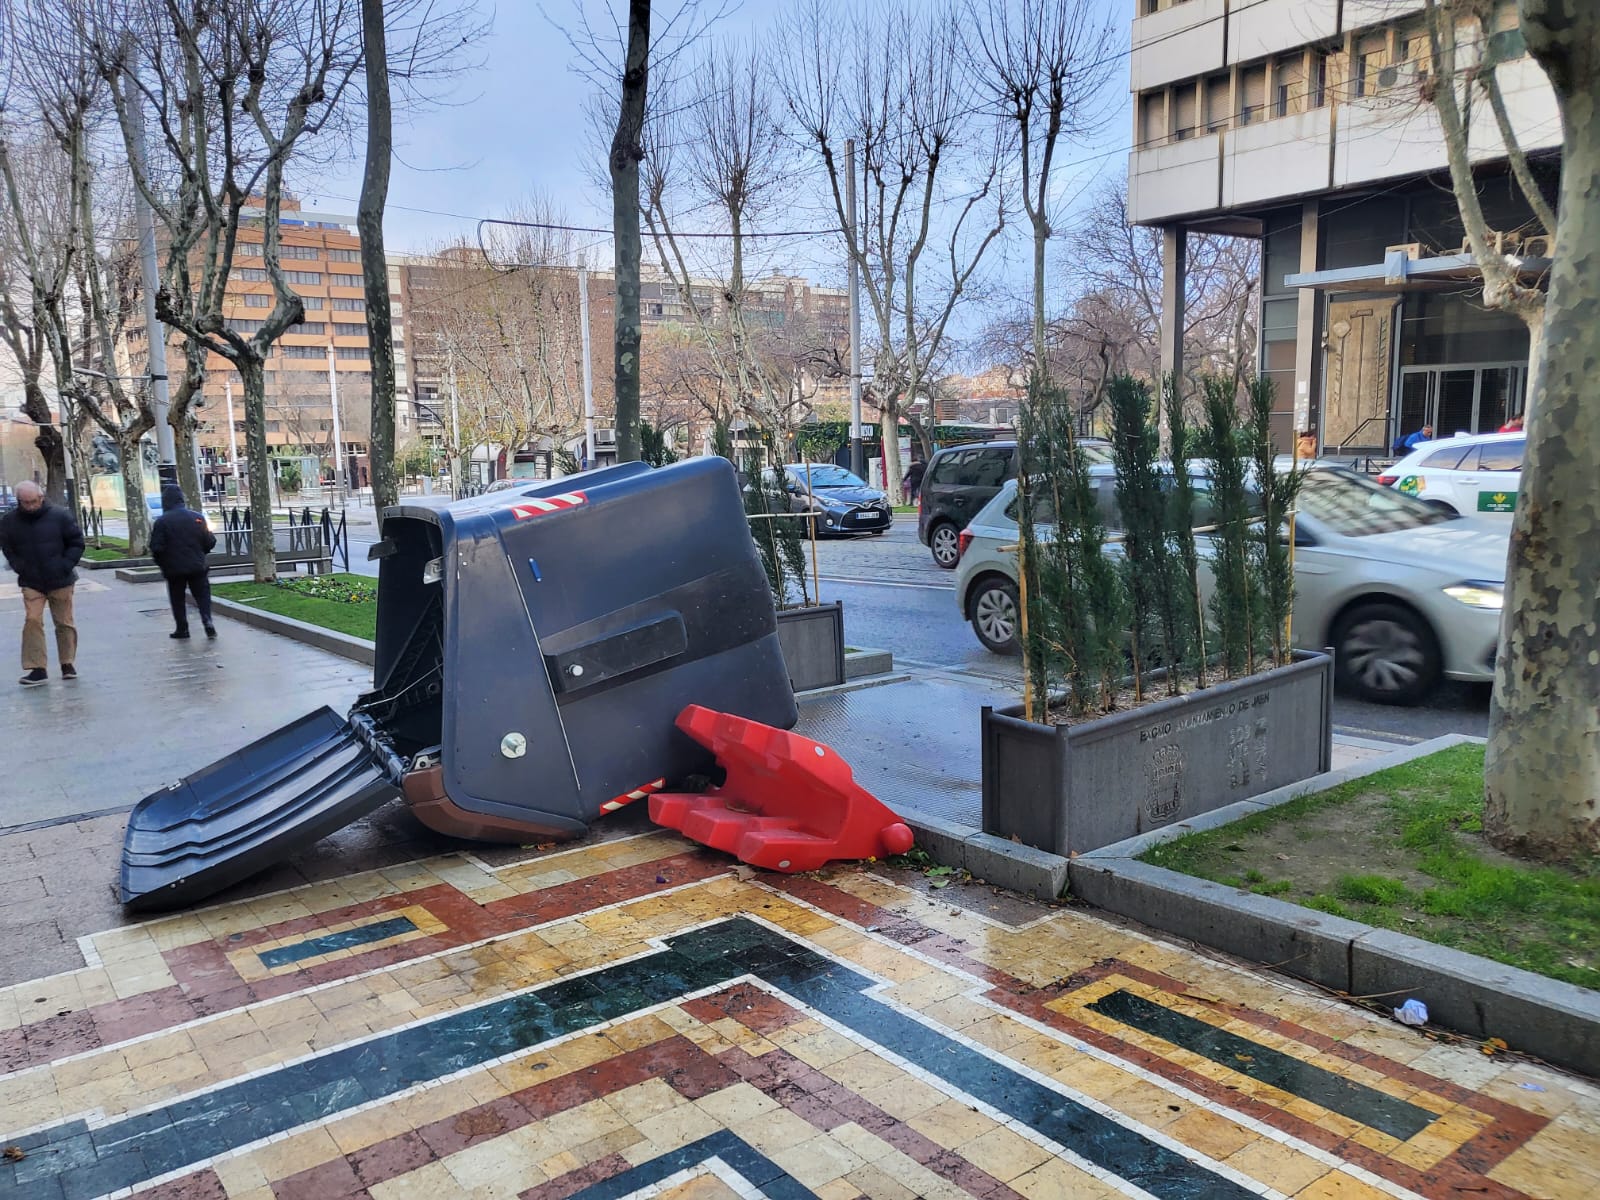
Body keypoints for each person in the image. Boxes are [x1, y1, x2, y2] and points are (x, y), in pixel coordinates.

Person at [0, 480, 84, 686]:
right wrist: (20, 567)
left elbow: (76, 542)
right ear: (19, 501)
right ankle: (37, 668)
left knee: (64, 622)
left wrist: (64, 565)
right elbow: (8, 547)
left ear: (41, 498)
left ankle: (67, 664)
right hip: (31, 580)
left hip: (61, 578)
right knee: (32, 621)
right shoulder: (10, 521)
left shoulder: (60, 516)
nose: (30, 506)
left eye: (33, 501)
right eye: (25, 502)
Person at [150, 484, 218, 640]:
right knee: (202, 595)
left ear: (165, 501)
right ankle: (207, 620)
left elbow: (156, 547)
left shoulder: (162, 522)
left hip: (174, 569)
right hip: (197, 566)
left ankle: (182, 628)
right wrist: (200, 554)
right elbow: (210, 541)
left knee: (177, 598)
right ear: (182, 499)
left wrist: (163, 564)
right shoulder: (197, 518)